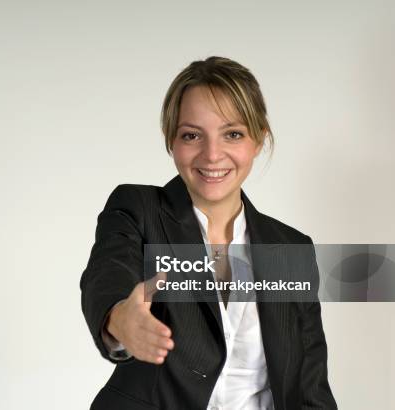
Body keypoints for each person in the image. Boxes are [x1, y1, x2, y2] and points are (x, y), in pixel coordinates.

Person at [80, 56, 337, 410]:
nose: (212, 154)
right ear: (172, 140)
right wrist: (119, 318)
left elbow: (310, 390)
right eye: (192, 135)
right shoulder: (138, 208)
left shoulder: (290, 248)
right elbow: (108, 271)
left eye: (232, 134)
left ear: (258, 140)